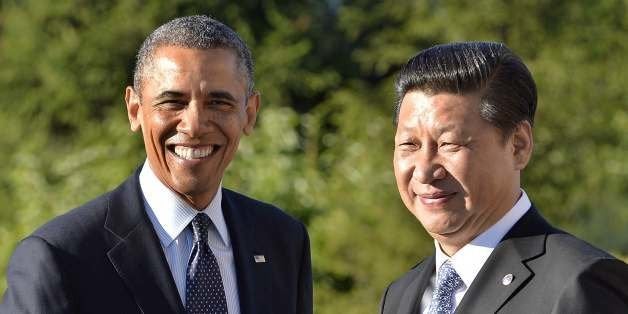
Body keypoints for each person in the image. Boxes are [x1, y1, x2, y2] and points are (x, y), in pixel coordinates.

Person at [1, 15, 312, 314]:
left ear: (250, 112)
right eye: (172, 102)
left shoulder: (283, 242)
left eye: (218, 102)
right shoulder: (60, 258)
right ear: (135, 109)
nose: (194, 125)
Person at [380, 42, 628, 314]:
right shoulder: (400, 295)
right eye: (409, 145)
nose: (425, 171)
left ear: (518, 145)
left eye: (450, 144)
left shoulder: (581, 284)